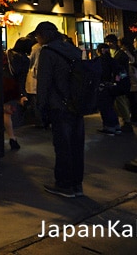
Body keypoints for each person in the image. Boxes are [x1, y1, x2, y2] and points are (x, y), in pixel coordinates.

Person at [34, 21, 85, 198]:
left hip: (59, 106)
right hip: (77, 105)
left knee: (62, 146)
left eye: (37, 35)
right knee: (76, 145)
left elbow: (44, 82)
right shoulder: (72, 49)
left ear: (45, 34)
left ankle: (64, 185)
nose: (37, 39)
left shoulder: (48, 53)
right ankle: (77, 184)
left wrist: (40, 106)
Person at [2, 36, 34, 150]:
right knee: (7, 114)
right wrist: (22, 94)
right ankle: (12, 138)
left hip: (0, 84)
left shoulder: (7, 53)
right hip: (11, 87)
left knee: (0, 111)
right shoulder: (24, 60)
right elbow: (21, 79)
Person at [105, 34, 132, 132]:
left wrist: (118, 79)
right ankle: (123, 121)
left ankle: (127, 121)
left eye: (110, 42)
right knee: (117, 102)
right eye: (107, 42)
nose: (109, 44)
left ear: (115, 42)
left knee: (121, 101)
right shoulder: (111, 53)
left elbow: (122, 70)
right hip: (116, 80)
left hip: (121, 80)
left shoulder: (121, 54)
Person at [95, 43, 122, 135]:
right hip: (113, 87)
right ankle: (116, 126)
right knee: (111, 106)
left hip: (102, 87)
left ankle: (109, 127)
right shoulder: (113, 60)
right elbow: (120, 73)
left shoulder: (99, 61)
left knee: (105, 107)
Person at [24, 38, 46, 128]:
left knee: (35, 101)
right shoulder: (47, 47)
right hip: (43, 77)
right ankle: (44, 120)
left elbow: (31, 61)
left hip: (34, 77)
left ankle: (39, 121)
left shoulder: (35, 48)